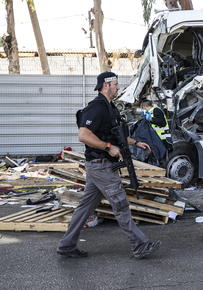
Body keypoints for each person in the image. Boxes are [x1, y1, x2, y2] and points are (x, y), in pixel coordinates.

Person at [57, 72, 162, 259]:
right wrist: (108, 147)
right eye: (115, 84)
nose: (118, 87)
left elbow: (114, 135)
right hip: (102, 166)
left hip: (99, 166)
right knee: (120, 205)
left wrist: (136, 143)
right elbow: (83, 135)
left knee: (85, 208)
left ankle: (66, 245)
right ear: (105, 85)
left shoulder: (110, 107)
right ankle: (140, 246)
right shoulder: (96, 108)